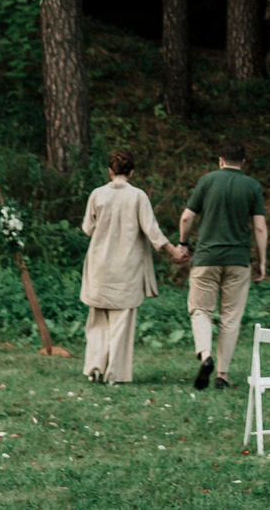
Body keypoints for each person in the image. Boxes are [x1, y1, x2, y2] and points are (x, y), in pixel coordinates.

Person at [77, 150, 185, 384]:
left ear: (109, 171)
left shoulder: (97, 194)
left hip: (99, 265)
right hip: (126, 268)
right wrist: (173, 250)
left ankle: (95, 367)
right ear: (132, 172)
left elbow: (87, 228)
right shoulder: (138, 196)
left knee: (96, 321)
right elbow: (152, 230)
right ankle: (115, 374)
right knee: (121, 323)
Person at [178, 139, 268, 390]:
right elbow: (259, 227)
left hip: (206, 258)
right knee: (230, 317)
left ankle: (206, 355)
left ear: (220, 161)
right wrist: (262, 260)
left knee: (201, 310)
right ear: (244, 162)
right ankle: (222, 375)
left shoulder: (207, 181)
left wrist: (183, 243)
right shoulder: (252, 186)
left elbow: (186, 217)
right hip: (238, 261)